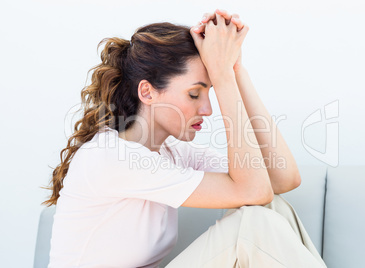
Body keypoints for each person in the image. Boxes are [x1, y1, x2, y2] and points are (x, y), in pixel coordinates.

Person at [42, 8, 327, 268]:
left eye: (210, 91)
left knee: (272, 207)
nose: (207, 109)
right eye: (194, 94)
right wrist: (222, 77)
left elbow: (282, 179)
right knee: (252, 226)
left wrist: (234, 69)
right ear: (148, 92)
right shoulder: (112, 156)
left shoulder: (171, 153)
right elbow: (253, 191)